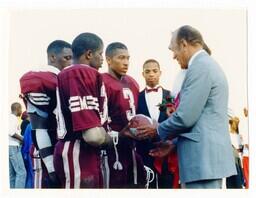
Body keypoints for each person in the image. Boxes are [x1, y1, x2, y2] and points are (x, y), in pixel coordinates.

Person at [136, 25, 237, 188]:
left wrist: (157, 130)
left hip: (202, 160)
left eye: (173, 50)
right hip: (203, 160)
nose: (173, 56)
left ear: (184, 44)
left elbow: (185, 117)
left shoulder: (200, 67)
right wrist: (173, 143)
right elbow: (200, 118)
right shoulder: (205, 65)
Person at [54, 32, 112, 188]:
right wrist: (109, 140)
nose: (102, 58)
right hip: (78, 149)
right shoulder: (80, 72)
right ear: (89, 54)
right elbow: (92, 136)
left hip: (83, 151)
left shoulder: (79, 72)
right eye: (100, 53)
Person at [19, 40, 73, 187]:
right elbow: (39, 127)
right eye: (67, 58)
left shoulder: (62, 78)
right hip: (46, 152)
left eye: (72, 59)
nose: (70, 63)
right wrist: (50, 166)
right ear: (53, 57)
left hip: (62, 150)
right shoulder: (40, 78)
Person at [102, 42, 146, 188]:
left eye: (128, 58)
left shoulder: (132, 82)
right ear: (108, 59)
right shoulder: (101, 81)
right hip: (111, 146)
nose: (126, 62)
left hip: (133, 146)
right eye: (121, 58)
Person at [136, 59, 178, 188]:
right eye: (147, 71)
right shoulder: (137, 96)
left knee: (167, 186)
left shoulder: (169, 95)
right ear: (143, 74)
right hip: (144, 151)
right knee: (148, 185)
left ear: (160, 73)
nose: (151, 74)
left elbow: (175, 120)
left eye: (154, 71)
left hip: (167, 149)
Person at [9, 102, 26, 188]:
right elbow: (11, 132)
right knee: (21, 173)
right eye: (21, 109)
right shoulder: (13, 118)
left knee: (12, 175)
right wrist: (23, 139)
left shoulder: (8, 118)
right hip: (13, 147)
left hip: (9, 147)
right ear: (18, 109)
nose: (21, 111)